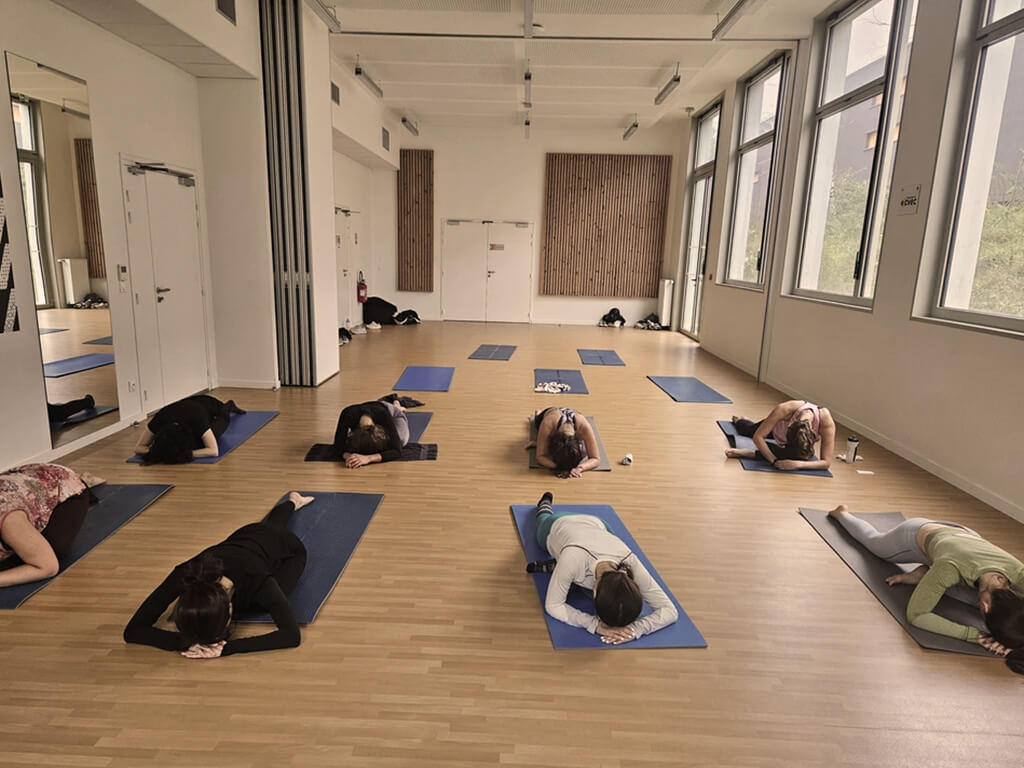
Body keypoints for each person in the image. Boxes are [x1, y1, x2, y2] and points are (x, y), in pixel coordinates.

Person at [828, 504, 1024, 673]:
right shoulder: (950, 567)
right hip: (917, 535)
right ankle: (842, 514)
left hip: (966, 537)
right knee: (873, 542)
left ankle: (924, 577)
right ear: (986, 606)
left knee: (973, 589)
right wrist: (976, 636)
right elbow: (917, 615)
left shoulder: (1018, 572)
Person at [124, 492, 312, 658]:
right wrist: (184, 642)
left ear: (230, 609)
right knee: (272, 526)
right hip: (244, 536)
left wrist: (226, 648)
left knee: (272, 587)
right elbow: (132, 631)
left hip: (287, 548)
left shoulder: (258, 580)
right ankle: (293, 501)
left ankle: (292, 503)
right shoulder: (185, 574)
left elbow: (291, 635)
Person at [531, 492, 678, 644]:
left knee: (586, 587)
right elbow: (553, 605)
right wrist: (595, 625)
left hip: (600, 526)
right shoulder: (573, 557)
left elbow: (670, 611)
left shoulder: (629, 562)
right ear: (595, 591)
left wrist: (636, 629)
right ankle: (544, 506)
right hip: (559, 524)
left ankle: (558, 568)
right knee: (541, 520)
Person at [0, 463, 105, 587]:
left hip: (60, 482)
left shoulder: (9, 521)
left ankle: (85, 481)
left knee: (54, 548)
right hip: (22, 483)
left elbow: (48, 567)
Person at [724, 399, 836, 471]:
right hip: (775, 430)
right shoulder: (785, 409)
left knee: (797, 455)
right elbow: (758, 437)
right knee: (746, 430)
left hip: (797, 444)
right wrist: (774, 461)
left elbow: (826, 463)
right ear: (790, 423)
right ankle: (741, 420)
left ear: (812, 431)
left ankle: (751, 453)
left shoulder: (826, 422)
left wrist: (797, 464)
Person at [134, 394, 245, 464]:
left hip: (211, 406)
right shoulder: (159, 419)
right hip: (189, 405)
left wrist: (185, 454)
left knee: (214, 433)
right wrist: (161, 452)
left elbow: (213, 451)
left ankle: (229, 406)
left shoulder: (197, 420)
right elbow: (138, 448)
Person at [333, 397, 410, 468]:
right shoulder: (347, 414)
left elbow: (396, 450)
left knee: (401, 439)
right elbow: (338, 446)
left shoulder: (382, 415)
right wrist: (350, 457)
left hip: (391, 412)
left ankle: (396, 405)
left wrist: (368, 458)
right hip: (372, 407)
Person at [528, 406, 600, 478]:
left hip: (574, 415)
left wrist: (580, 468)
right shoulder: (548, 423)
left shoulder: (584, 427)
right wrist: (559, 466)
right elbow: (540, 456)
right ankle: (538, 413)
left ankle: (540, 443)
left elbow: (595, 458)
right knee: (537, 421)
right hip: (549, 413)